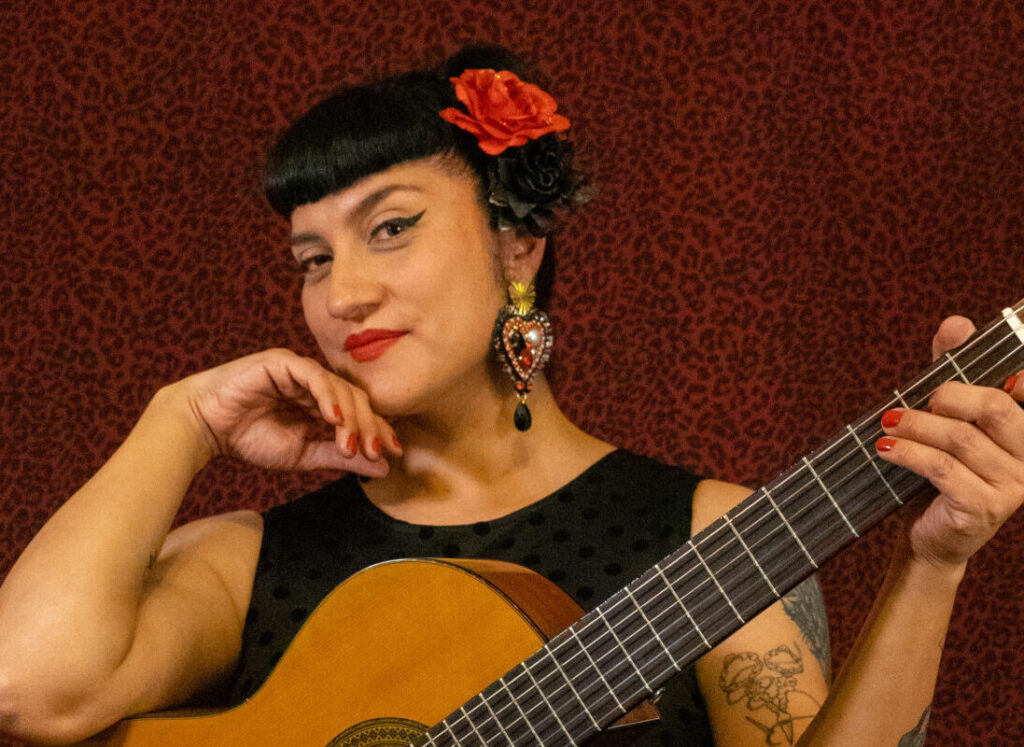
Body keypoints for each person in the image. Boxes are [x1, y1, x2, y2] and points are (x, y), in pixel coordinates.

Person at [0, 44, 1022, 746]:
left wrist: (932, 566)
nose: (342, 293)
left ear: (518, 245)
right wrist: (180, 420)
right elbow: (23, 687)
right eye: (312, 258)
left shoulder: (708, 533)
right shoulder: (245, 566)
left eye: (390, 227)